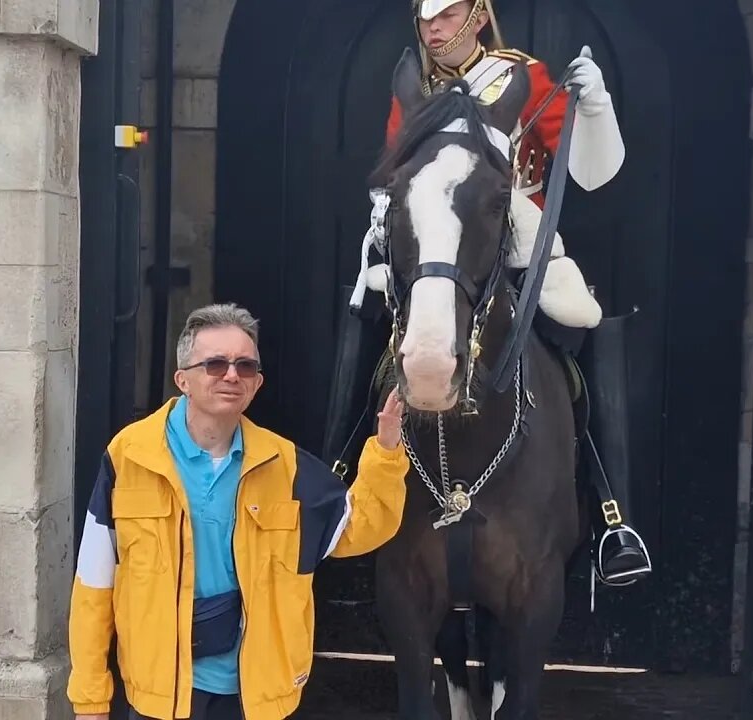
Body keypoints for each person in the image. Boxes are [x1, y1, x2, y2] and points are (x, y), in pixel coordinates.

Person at [325, 0, 652, 588]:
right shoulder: (415, 88)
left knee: (581, 319)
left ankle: (613, 513)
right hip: (430, 231)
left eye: (447, 16)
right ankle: (339, 467)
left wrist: (595, 107)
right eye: (426, 18)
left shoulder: (520, 76)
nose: (434, 28)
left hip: (511, 226)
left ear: (478, 17)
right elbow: (395, 167)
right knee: (366, 310)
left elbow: (592, 174)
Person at [68, 303, 410, 720]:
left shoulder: (286, 465)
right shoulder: (129, 457)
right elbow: (94, 586)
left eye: (245, 366)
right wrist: (90, 700)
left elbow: (363, 527)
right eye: (215, 364)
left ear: (257, 383)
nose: (232, 375)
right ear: (182, 380)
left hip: (257, 698)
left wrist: (386, 451)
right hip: (159, 695)